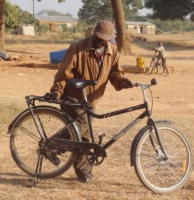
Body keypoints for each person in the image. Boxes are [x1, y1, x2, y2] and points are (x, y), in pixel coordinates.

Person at [46, 20, 132, 183]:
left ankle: (52, 147)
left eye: (105, 39)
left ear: (110, 39)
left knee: (77, 129)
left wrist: (121, 81)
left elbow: (115, 73)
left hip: (91, 99)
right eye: (98, 37)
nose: (101, 41)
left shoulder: (112, 52)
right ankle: (83, 171)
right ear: (93, 33)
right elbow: (64, 72)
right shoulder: (78, 47)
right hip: (71, 95)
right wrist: (57, 91)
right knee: (84, 133)